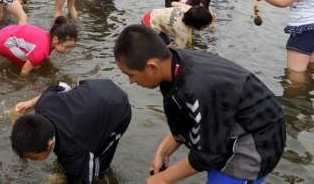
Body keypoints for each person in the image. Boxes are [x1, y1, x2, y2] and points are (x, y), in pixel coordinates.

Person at [113, 25, 285, 184]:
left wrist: (163, 179)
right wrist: (163, 152)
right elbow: (188, 119)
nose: (130, 81)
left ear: (152, 67)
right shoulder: (174, 64)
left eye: (131, 75)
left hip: (256, 139)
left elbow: (207, 155)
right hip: (227, 123)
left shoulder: (200, 88)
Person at [11, 79, 131, 183]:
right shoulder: (43, 103)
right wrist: (31, 103)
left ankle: (100, 175)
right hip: (93, 87)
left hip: (118, 107)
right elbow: (63, 86)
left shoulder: (74, 151)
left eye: (36, 158)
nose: (34, 161)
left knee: (96, 168)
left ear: (50, 144)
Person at [0, 16, 77, 76]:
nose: (67, 50)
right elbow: (24, 71)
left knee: (37, 60)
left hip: (7, 31)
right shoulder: (42, 49)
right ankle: (15, 71)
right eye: (66, 47)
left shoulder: (49, 36)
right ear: (55, 40)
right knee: (29, 64)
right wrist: (25, 82)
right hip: (3, 41)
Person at [141, 5, 213, 49]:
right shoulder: (183, 32)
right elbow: (178, 49)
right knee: (165, 49)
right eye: (205, 25)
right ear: (196, 24)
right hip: (150, 24)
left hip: (152, 14)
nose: (206, 27)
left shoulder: (189, 9)